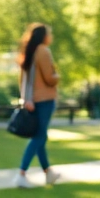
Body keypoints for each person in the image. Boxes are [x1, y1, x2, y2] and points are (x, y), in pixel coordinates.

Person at [14, 23, 61, 189]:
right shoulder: (43, 51)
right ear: (44, 36)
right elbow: (49, 78)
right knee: (39, 137)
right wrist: (57, 76)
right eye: (49, 34)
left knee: (40, 136)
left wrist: (26, 99)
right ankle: (21, 173)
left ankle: (48, 172)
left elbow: (23, 79)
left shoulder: (28, 51)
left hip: (32, 100)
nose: (51, 37)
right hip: (45, 99)